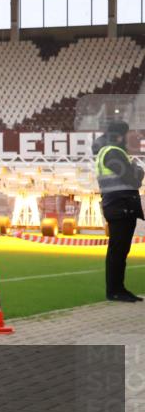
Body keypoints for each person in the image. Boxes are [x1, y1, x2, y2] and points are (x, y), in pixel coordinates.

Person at [93, 119, 144, 303]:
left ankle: (118, 289)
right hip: (120, 205)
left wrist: (135, 169)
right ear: (120, 135)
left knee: (119, 251)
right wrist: (138, 169)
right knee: (118, 251)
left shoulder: (109, 151)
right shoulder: (113, 152)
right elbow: (133, 180)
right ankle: (115, 290)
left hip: (119, 205)